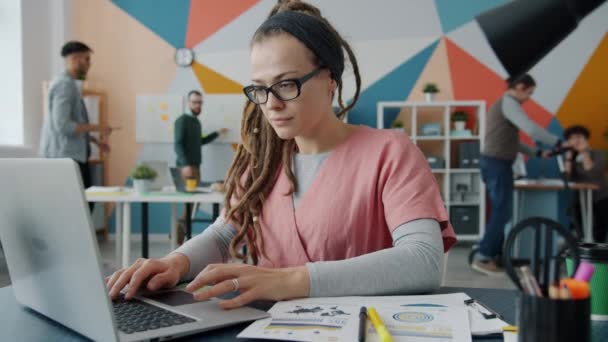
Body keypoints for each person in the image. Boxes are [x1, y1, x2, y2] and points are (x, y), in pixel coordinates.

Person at [108, 0, 456, 309]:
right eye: (260, 88)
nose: (271, 103)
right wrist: (177, 262)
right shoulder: (264, 165)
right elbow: (223, 234)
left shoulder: (391, 152)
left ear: (330, 79)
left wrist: (291, 281)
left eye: (287, 84)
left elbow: (422, 261)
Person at [472, 74, 561, 275]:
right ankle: (484, 256)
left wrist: (537, 152)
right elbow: (531, 129)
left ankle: (492, 255)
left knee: (502, 212)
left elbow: (513, 142)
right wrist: (558, 142)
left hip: (495, 162)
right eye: (529, 92)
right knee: (502, 212)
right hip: (497, 163)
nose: (529, 97)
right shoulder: (509, 102)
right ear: (520, 86)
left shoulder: (505, 105)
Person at [39, 41, 114, 210]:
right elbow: (63, 126)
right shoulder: (64, 86)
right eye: (87, 59)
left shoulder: (71, 85)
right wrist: (98, 127)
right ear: (75, 59)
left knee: (84, 203)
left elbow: (72, 124)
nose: (89, 65)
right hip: (64, 157)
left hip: (72, 155)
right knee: (80, 205)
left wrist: (94, 140)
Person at [174, 90, 229, 244]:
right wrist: (185, 164)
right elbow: (177, 144)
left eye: (200, 102)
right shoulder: (182, 120)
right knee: (190, 204)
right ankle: (178, 237)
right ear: (188, 103)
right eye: (195, 102)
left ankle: (181, 237)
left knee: (194, 204)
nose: (198, 105)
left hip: (195, 166)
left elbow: (200, 141)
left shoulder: (196, 122)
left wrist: (217, 133)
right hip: (186, 168)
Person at [563, 125, 608, 243]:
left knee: (599, 230)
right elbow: (566, 179)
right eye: (572, 138)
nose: (576, 141)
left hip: (600, 198)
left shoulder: (599, 154)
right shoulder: (571, 158)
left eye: (579, 137)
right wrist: (568, 158)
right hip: (580, 199)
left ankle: (598, 255)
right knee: (580, 230)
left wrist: (584, 153)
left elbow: (594, 174)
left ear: (586, 139)